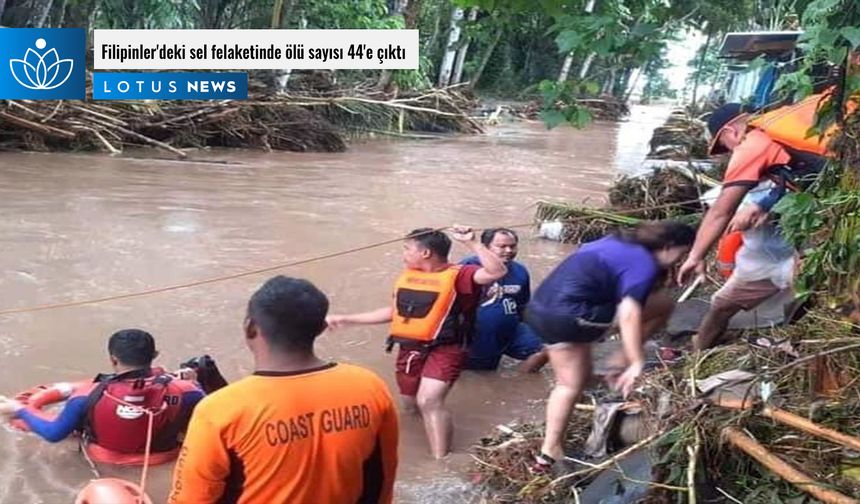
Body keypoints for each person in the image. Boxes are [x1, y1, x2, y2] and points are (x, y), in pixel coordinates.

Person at [168, 276, 399, 504]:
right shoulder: (369, 386)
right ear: (321, 328)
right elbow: (383, 478)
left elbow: (191, 498)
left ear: (250, 328)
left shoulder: (219, 409)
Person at [525, 221, 695, 471]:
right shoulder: (644, 263)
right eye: (682, 254)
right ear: (668, 246)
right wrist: (636, 361)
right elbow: (629, 312)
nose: (680, 260)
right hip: (571, 315)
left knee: (578, 379)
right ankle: (550, 451)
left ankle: (613, 367)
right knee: (570, 385)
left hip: (540, 308)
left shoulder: (617, 241)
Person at [326, 225, 507, 459]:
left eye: (407, 248)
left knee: (429, 401)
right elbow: (394, 312)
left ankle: (441, 461)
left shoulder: (462, 274)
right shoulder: (408, 277)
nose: (404, 254)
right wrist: (347, 319)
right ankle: (421, 435)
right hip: (410, 348)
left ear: (425, 253)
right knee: (411, 404)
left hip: (447, 347)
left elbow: (496, 272)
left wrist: (472, 242)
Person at [676, 89, 851, 286]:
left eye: (726, 146)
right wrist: (764, 205)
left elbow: (721, 212)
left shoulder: (753, 142)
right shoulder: (786, 123)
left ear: (731, 132)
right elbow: (804, 175)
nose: (730, 152)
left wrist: (695, 256)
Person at [0, 329, 204, 465]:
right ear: (154, 355)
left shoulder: (86, 394)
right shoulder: (187, 391)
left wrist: (21, 410)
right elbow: (214, 420)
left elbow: (54, 434)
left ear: (112, 359)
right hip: (164, 460)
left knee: (71, 430)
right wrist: (196, 382)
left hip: (105, 461)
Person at [693, 181, 797, 350]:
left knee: (820, 300)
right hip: (759, 264)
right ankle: (698, 354)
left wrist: (767, 207)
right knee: (721, 306)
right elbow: (717, 219)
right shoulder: (729, 193)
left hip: (801, 257)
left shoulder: (795, 179)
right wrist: (699, 255)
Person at [461, 228, 547, 372]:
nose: (508, 250)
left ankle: (520, 379)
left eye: (512, 246)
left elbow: (522, 306)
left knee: (549, 348)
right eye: (502, 246)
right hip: (479, 335)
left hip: (512, 330)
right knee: (482, 375)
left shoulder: (520, 271)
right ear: (485, 247)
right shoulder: (467, 268)